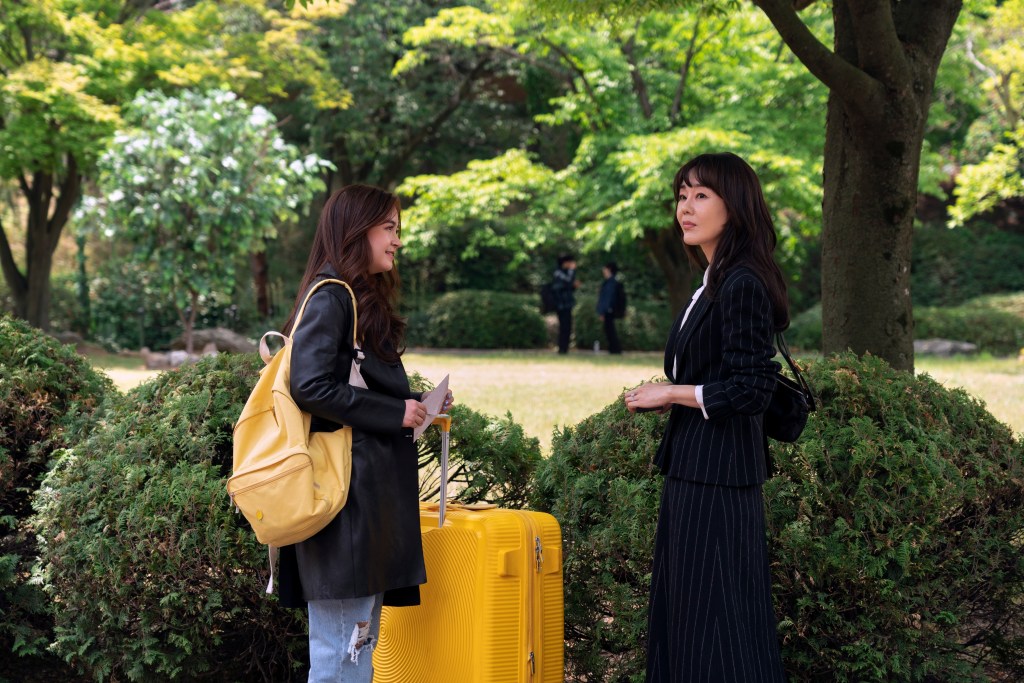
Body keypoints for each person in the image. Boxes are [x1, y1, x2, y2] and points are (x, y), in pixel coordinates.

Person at [276, 184, 454, 682]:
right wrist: (393, 413)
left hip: (362, 509)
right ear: (358, 232)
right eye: (389, 228)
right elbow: (309, 385)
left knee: (355, 654)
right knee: (341, 658)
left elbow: (353, 385)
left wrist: (414, 403)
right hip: (343, 510)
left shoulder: (355, 300)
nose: (398, 241)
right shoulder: (332, 297)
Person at [624, 152, 788, 682]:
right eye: (681, 196)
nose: (685, 209)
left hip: (718, 475)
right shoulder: (714, 279)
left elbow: (752, 389)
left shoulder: (741, 282)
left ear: (734, 207)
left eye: (701, 196)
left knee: (715, 623)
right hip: (697, 468)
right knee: (692, 617)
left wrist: (672, 394)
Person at [551, 254, 579, 354]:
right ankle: (562, 348)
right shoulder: (559, 273)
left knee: (568, 326)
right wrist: (572, 271)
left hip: (567, 304)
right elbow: (567, 281)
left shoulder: (564, 273)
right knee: (564, 326)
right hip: (561, 304)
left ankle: (565, 348)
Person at [596, 261, 624, 354]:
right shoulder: (610, 282)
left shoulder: (610, 283)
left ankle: (615, 349)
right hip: (610, 309)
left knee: (610, 330)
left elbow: (607, 299)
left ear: (609, 270)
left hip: (608, 310)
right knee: (609, 329)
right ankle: (614, 349)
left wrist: (602, 311)